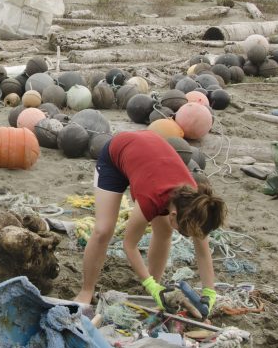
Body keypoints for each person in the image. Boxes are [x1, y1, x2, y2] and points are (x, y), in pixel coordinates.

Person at [74, 130, 227, 317]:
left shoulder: (196, 203)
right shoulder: (150, 200)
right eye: (184, 232)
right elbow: (129, 246)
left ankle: (156, 287)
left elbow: (203, 252)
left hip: (149, 157)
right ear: (173, 215)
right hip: (116, 156)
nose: (187, 235)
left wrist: (209, 293)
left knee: (164, 231)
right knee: (103, 230)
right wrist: (151, 286)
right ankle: (86, 290)